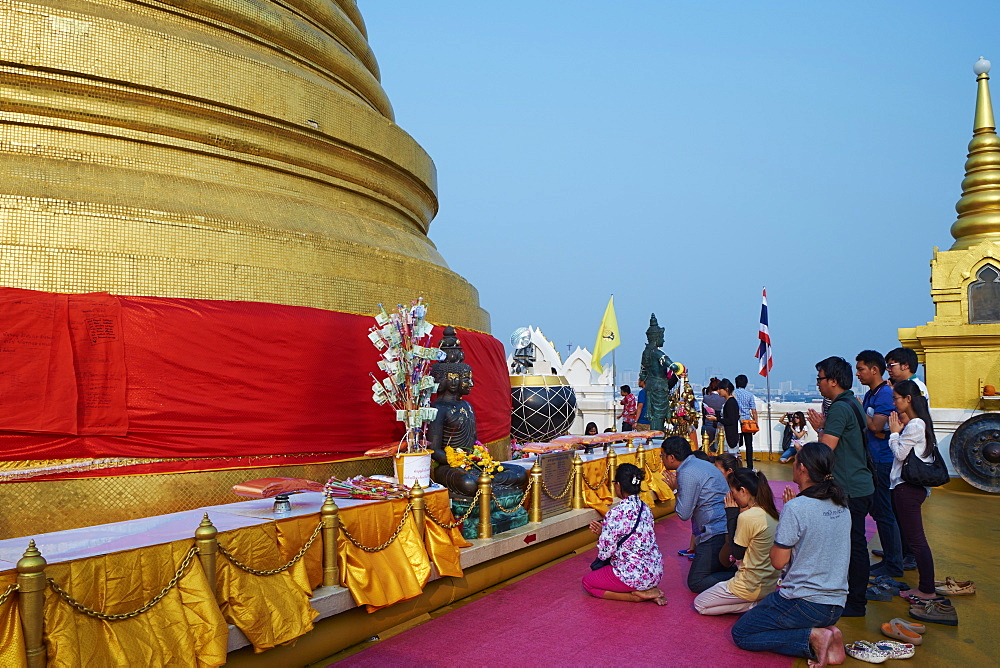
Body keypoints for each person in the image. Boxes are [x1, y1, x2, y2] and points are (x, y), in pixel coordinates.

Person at [731, 443, 850, 668]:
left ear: (802, 468)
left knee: (742, 633)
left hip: (805, 603)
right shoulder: (841, 504)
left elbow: (778, 561)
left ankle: (813, 638)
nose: (793, 466)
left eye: (795, 462)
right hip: (836, 605)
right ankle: (828, 633)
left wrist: (786, 517)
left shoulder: (796, 508)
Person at [806, 357, 874, 617]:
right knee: (854, 543)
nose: (818, 385)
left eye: (820, 379)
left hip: (849, 487)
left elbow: (826, 451)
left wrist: (819, 430)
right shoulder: (854, 403)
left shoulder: (839, 408)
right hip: (861, 483)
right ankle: (853, 596)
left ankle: (855, 602)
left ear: (833, 381)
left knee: (852, 546)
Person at [888, 380, 955, 624]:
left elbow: (899, 454)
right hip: (909, 489)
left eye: (896, 398)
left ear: (907, 399)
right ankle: (924, 586)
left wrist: (894, 431)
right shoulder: (918, 423)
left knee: (917, 541)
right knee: (915, 540)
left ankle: (926, 589)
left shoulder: (915, 424)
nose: (894, 402)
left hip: (906, 490)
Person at [695, 467, 780, 615]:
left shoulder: (747, 517)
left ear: (743, 490)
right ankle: (759, 602)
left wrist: (732, 516)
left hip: (747, 586)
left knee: (700, 604)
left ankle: (755, 605)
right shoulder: (772, 512)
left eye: (733, 493)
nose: (731, 498)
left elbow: (736, 553)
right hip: (769, 585)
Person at [582, 464, 665, 605]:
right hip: (655, 572)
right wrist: (605, 532)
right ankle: (649, 589)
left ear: (618, 486)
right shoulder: (645, 508)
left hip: (633, 575)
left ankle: (635, 596)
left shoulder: (615, 513)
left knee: (588, 582)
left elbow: (605, 553)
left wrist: (603, 535)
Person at [661, 436, 734, 593]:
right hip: (723, 527)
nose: (661, 459)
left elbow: (683, 513)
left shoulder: (687, 472)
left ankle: (745, 577)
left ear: (671, 457)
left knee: (696, 582)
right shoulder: (701, 464)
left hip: (716, 532)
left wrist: (675, 489)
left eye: (662, 455)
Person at [855, 350, 904, 579]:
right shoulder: (871, 395)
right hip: (875, 460)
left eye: (861, 369)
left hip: (883, 461)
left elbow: (875, 426)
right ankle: (891, 558)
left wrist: (857, 408)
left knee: (885, 513)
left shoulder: (884, 395)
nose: (858, 374)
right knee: (881, 512)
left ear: (875, 370)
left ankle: (894, 564)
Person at [734, 375, 759, 467]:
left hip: (736, 422)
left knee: (735, 443)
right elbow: (754, 411)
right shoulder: (749, 395)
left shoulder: (733, 393)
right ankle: (750, 465)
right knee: (749, 445)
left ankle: (736, 462)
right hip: (747, 423)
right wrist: (756, 423)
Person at [716, 379, 741, 462]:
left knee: (728, 458)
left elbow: (730, 420)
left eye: (720, 389)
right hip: (726, 433)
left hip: (728, 433)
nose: (718, 391)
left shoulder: (730, 402)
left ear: (726, 389)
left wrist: (716, 418)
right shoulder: (729, 401)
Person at [701, 377, 726, 447]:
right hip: (719, 424)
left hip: (708, 424)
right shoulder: (723, 399)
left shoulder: (706, 398)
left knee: (708, 447)